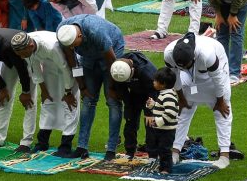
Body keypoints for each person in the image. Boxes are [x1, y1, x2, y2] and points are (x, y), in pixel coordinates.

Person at [56, 17, 125, 159]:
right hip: (88, 57)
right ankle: (82, 147)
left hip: (112, 53)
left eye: (74, 45)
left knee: (113, 101)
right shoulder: (62, 32)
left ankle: (111, 149)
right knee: (88, 100)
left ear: (80, 36)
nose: (72, 48)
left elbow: (111, 62)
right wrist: (82, 86)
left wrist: (112, 87)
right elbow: (72, 61)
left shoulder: (96, 31)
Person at [164, 33, 233, 169]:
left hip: (214, 73)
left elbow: (218, 79)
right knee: (182, 112)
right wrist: (181, 98)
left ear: (193, 57)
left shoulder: (207, 54)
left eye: (187, 65)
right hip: (189, 76)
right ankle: (175, 151)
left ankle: (225, 155)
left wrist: (220, 100)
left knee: (222, 112)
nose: (183, 68)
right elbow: (175, 76)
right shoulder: (168, 53)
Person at [11, 30, 79, 156]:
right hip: (49, 65)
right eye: (18, 54)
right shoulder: (26, 46)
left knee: (70, 105)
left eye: (22, 54)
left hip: (68, 64)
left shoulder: (51, 46)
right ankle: (42, 143)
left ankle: (65, 146)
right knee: (48, 102)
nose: (21, 57)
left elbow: (64, 68)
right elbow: (34, 68)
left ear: (30, 46)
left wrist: (68, 92)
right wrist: (44, 90)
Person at [109, 52, 158, 159]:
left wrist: (150, 110)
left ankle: (153, 155)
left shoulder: (147, 71)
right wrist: (128, 106)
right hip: (134, 94)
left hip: (150, 93)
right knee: (130, 120)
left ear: (132, 71)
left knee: (150, 123)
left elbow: (154, 90)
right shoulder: (117, 70)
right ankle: (130, 151)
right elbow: (122, 91)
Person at [144, 67, 178, 174]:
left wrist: (158, 121)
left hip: (167, 130)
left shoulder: (168, 96)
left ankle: (166, 169)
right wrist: (153, 105)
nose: (153, 82)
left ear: (162, 84)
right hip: (162, 128)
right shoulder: (163, 94)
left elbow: (170, 113)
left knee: (165, 150)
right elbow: (161, 108)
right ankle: (162, 167)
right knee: (161, 148)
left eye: (155, 81)